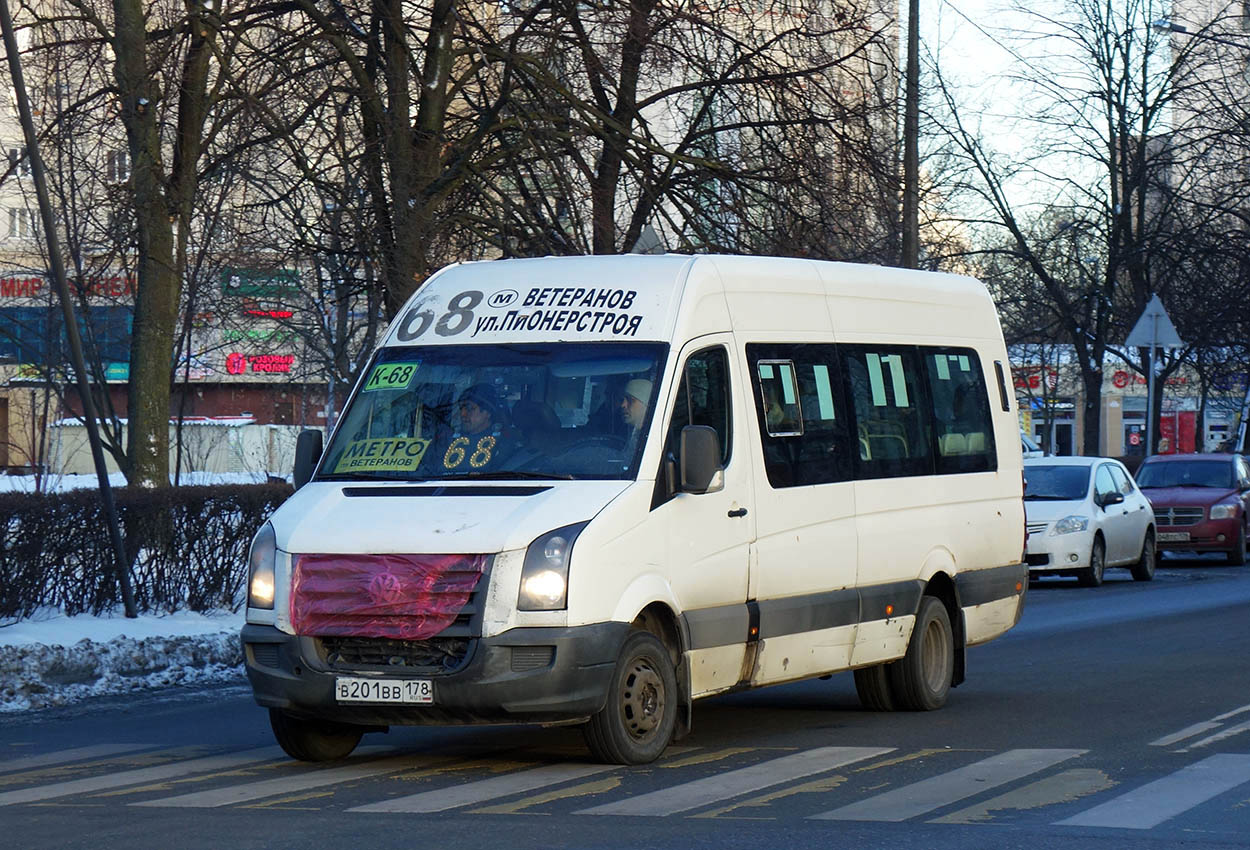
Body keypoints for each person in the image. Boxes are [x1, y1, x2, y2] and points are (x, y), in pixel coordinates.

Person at [435, 383, 514, 472]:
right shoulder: (447, 440)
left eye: (470, 408)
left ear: (487, 412)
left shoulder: (503, 444)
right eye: (461, 408)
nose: (463, 414)